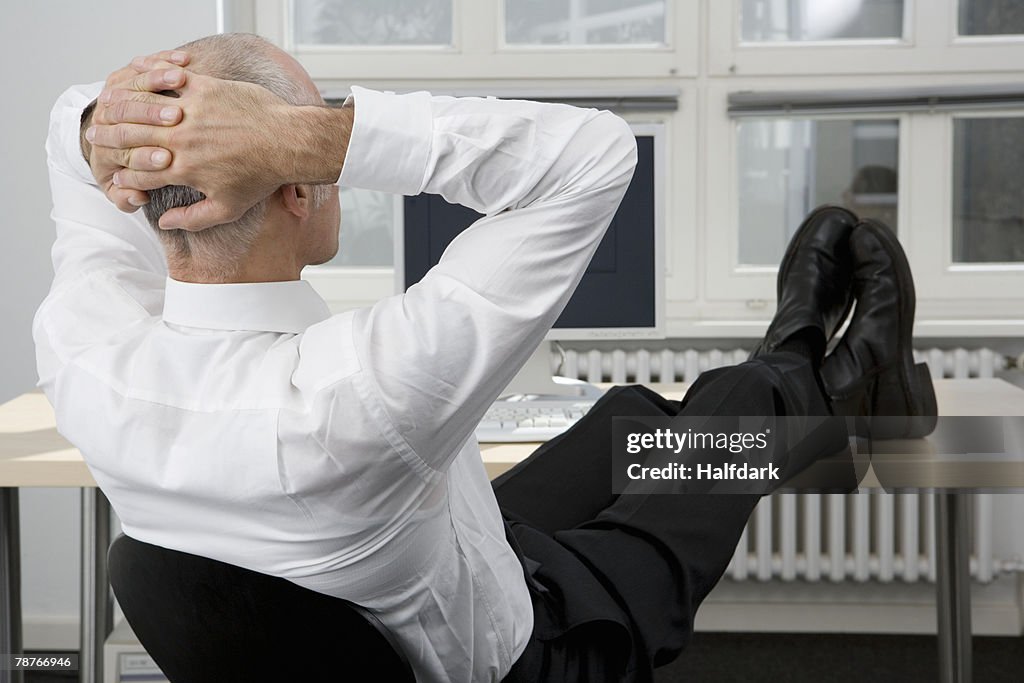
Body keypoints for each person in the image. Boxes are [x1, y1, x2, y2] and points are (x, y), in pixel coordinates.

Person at [35, 33, 934, 683]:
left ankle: (815, 386)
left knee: (632, 419)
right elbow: (593, 157)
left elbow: (62, 133)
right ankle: (814, 367)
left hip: (446, 570)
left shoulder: (86, 348)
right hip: (534, 658)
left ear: (141, 187)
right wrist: (303, 134)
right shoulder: (362, 390)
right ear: (299, 185)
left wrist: (125, 126)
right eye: (310, 132)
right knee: (726, 413)